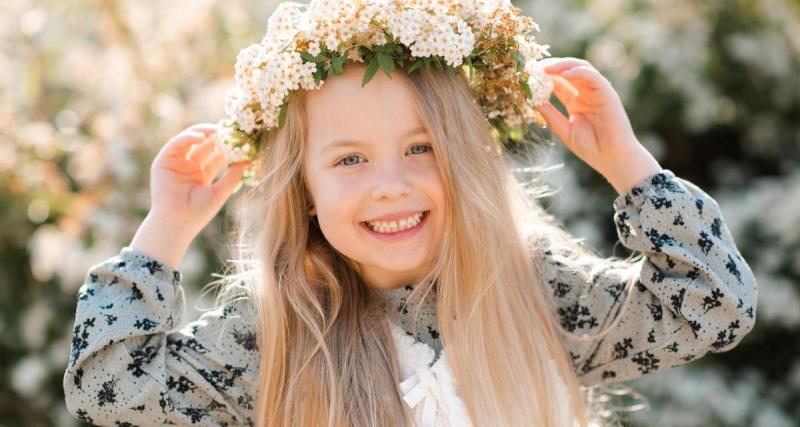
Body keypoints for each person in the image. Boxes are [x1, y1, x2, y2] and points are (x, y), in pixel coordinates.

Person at [63, 4, 758, 427]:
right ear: (302, 188)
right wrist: (166, 231)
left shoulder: (532, 290)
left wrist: (626, 163)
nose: (390, 186)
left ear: (465, 156)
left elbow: (712, 303)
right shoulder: (279, 328)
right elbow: (110, 391)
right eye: (349, 160)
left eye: (420, 148)